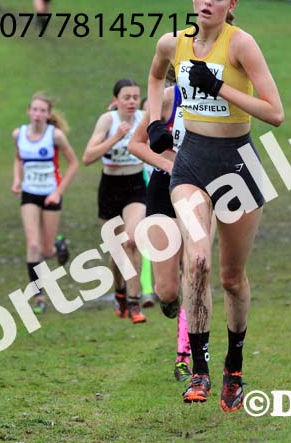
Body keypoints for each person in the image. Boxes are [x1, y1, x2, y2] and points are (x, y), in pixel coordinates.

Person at [145, 0, 284, 410]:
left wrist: (220, 87)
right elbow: (153, 76)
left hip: (238, 166)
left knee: (231, 278)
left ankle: (234, 366)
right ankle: (200, 371)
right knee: (199, 260)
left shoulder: (241, 45)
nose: (208, 2)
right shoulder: (174, 42)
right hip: (191, 165)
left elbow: (275, 112)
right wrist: (153, 125)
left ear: (232, 5)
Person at [128, 71, 194, 382]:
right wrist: (168, 165)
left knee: (195, 268)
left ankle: (185, 356)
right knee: (166, 290)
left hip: (201, 191)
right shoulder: (169, 98)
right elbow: (136, 144)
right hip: (163, 188)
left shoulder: (219, 97)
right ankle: (174, 303)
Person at [82, 79, 148, 324]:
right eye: (126, 97)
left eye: (135, 97)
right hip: (110, 186)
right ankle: (119, 291)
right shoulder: (107, 121)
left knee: (132, 240)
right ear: (116, 100)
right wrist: (116, 138)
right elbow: (88, 157)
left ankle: (135, 303)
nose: (131, 101)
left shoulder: (144, 118)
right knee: (116, 250)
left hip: (135, 186)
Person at [11, 93, 78, 313]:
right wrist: (17, 180)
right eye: (35, 110)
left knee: (47, 251)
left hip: (50, 194)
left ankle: (57, 245)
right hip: (29, 194)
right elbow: (19, 159)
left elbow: (73, 163)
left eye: (43, 110)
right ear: (29, 112)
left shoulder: (55, 136)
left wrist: (58, 192)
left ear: (48, 114)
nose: (38, 114)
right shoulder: (18, 134)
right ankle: (39, 296)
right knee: (33, 246)